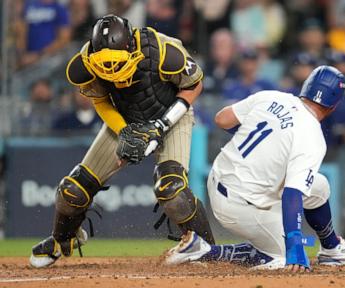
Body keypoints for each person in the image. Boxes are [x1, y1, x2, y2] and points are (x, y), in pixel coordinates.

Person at [29, 14, 215, 268]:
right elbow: (101, 101)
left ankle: (211, 252)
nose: (112, 73)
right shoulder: (84, 63)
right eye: (105, 66)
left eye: (116, 65)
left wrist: (161, 126)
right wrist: (126, 131)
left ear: (130, 47)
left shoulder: (163, 51)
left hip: (172, 116)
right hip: (125, 118)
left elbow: (194, 85)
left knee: (172, 190)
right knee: (71, 192)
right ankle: (64, 240)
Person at [165, 66, 345, 271]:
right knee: (284, 256)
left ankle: (331, 248)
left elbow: (222, 119)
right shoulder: (312, 137)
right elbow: (292, 194)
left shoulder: (273, 96)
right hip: (239, 206)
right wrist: (295, 243)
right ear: (334, 105)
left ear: (307, 87)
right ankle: (204, 251)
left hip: (219, 182)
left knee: (319, 185)